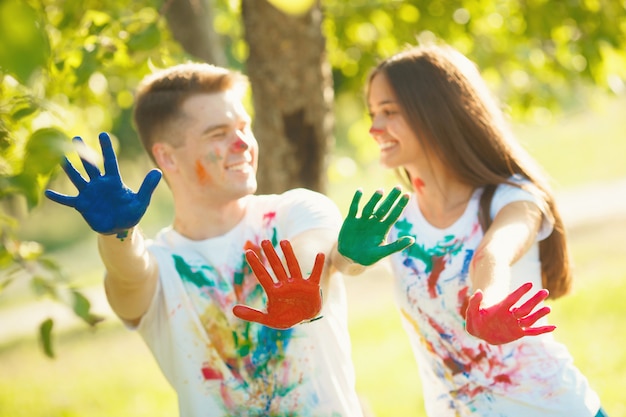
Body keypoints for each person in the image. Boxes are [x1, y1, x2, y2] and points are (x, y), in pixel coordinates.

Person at [45, 62, 403, 416]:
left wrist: (319, 273)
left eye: (244, 127)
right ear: (167, 156)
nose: (243, 143)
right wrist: (117, 234)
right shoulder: (162, 267)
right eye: (219, 133)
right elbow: (129, 275)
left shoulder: (296, 210)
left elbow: (324, 253)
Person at [336, 44, 607, 416]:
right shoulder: (396, 220)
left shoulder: (513, 198)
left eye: (389, 112)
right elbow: (344, 267)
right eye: (372, 113)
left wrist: (488, 304)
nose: (374, 127)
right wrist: (346, 256)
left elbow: (494, 252)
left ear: (433, 112)